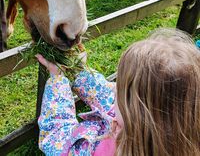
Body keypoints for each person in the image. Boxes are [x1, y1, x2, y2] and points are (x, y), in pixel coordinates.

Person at [37, 28, 200, 156]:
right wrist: (79, 71)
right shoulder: (184, 137)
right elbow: (105, 97)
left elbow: (56, 134)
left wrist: (57, 79)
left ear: (134, 111)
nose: (113, 91)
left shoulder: (90, 149)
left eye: (119, 91)